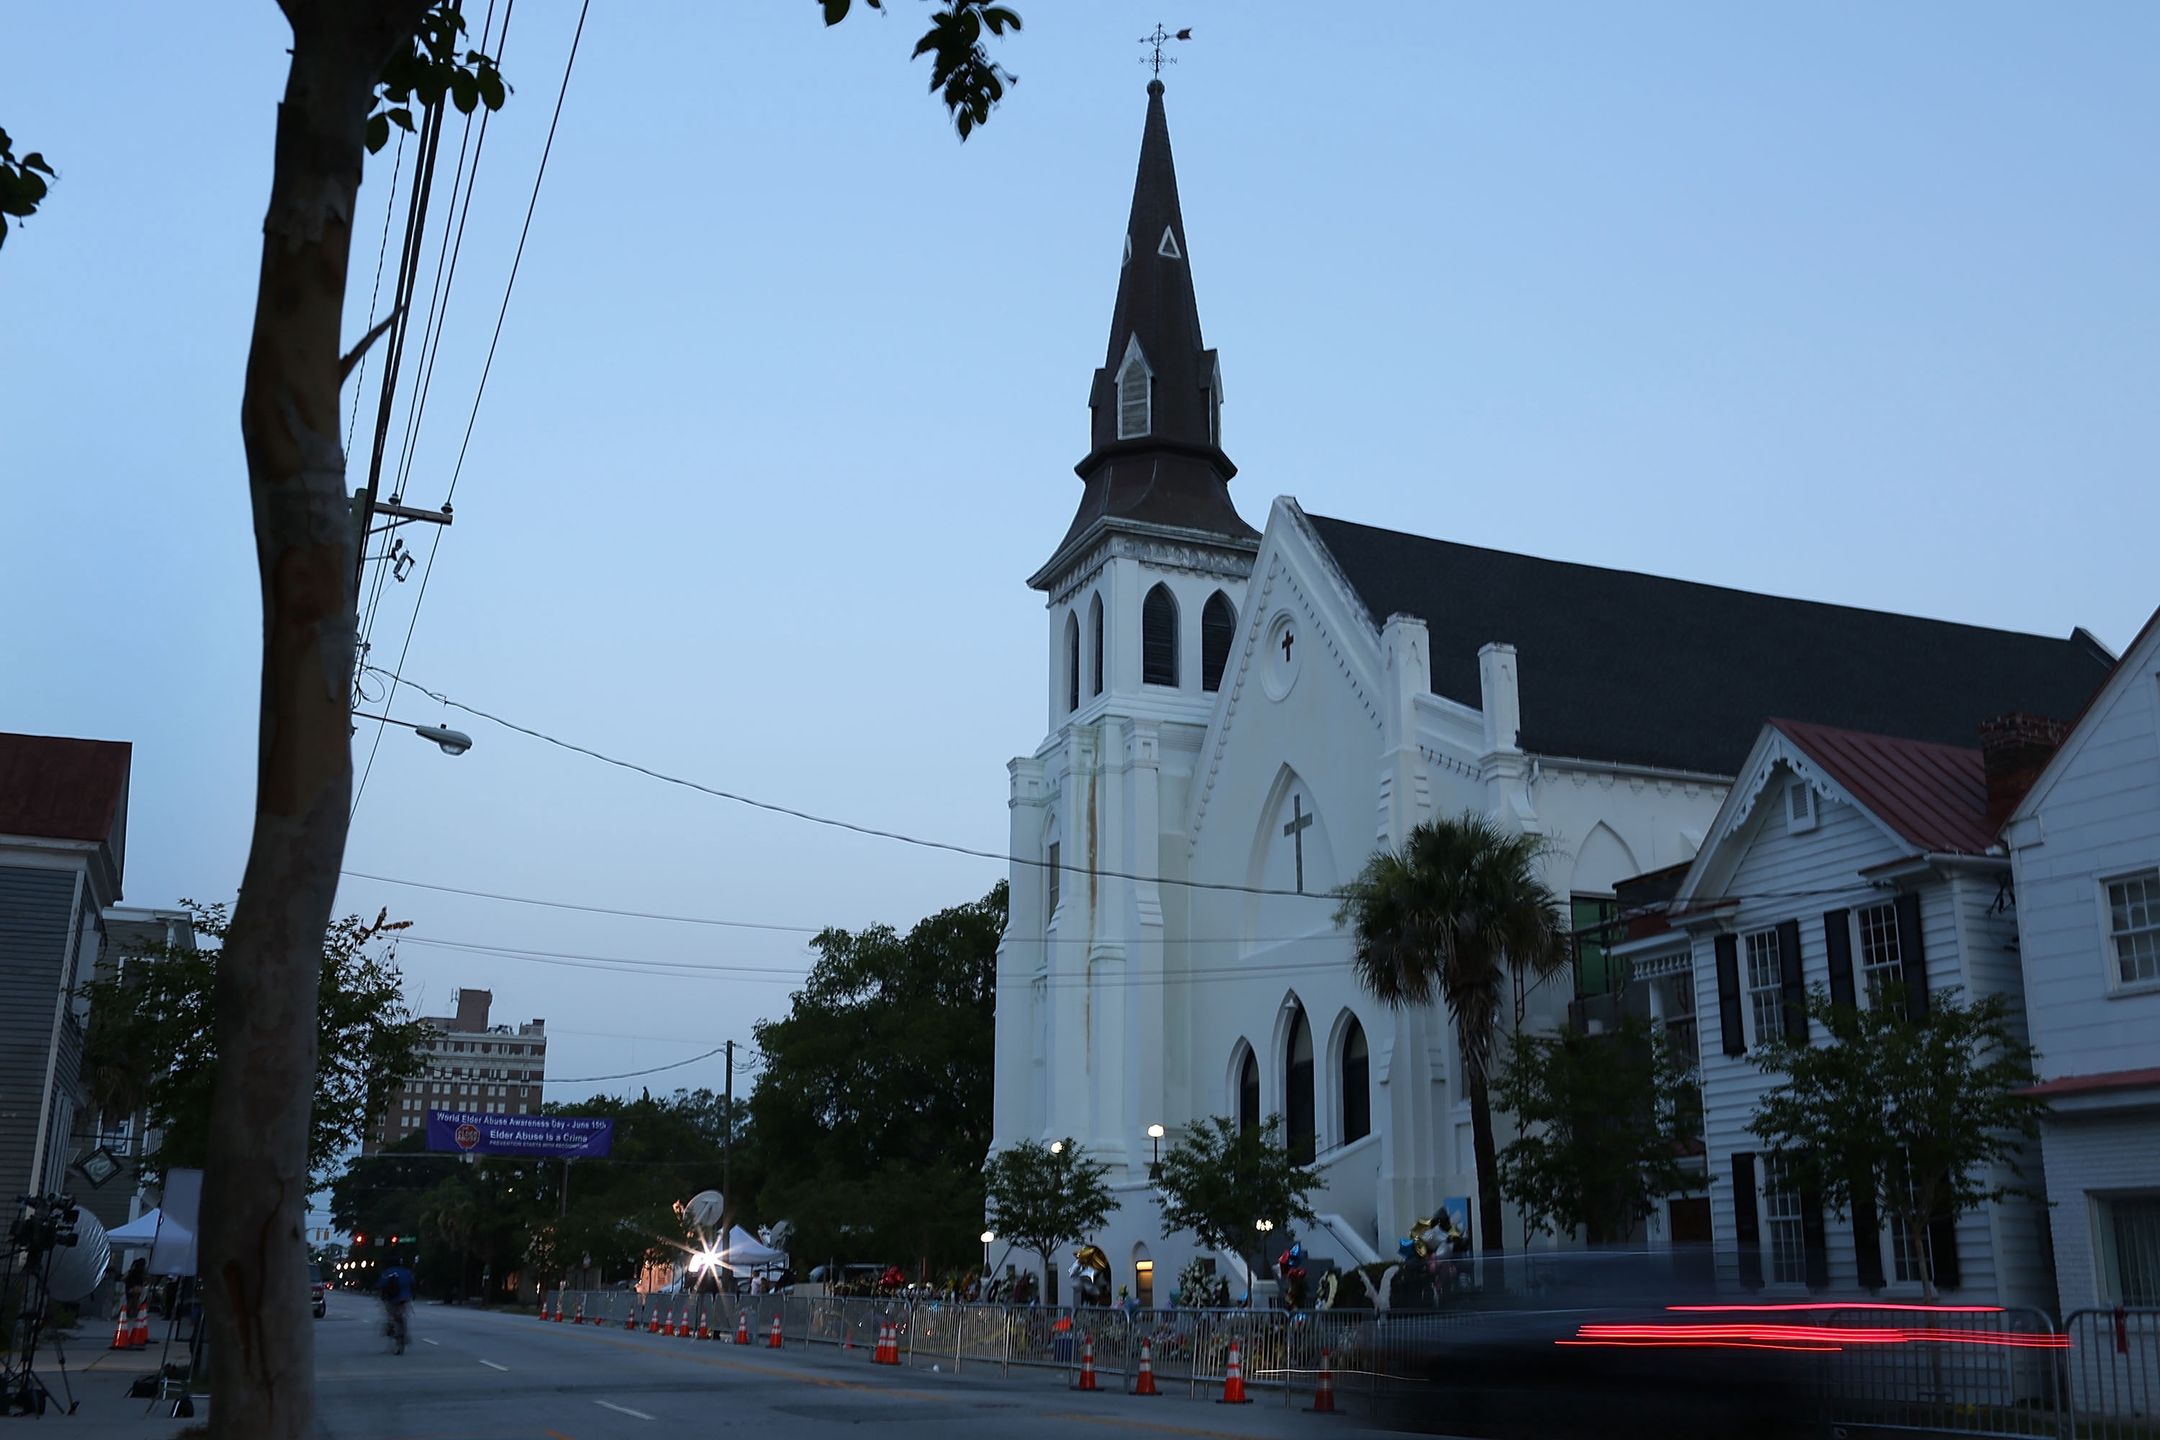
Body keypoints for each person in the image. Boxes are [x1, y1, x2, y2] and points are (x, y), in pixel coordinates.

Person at [378, 1262, 415, 1353]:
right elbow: (413, 1283)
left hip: (392, 1298)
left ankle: (392, 1328)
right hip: (405, 1298)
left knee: (391, 1315)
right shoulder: (406, 1272)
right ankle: (403, 1335)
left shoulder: (388, 1272)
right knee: (402, 1316)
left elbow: (381, 1284)